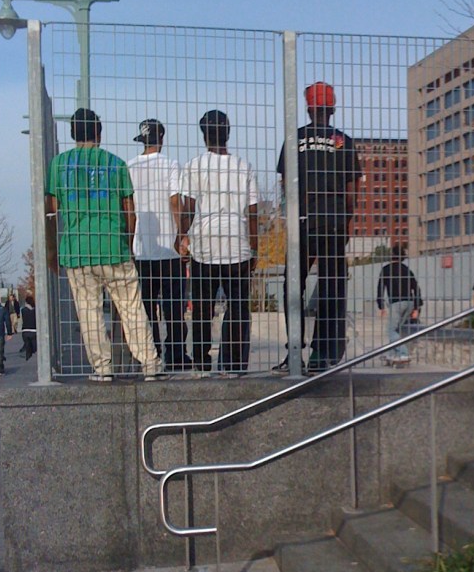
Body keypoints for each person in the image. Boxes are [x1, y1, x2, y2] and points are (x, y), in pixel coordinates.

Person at [45, 107, 167, 382]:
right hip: (113, 247)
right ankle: (150, 364)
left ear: (72, 132)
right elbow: (129, 210)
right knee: (132, 308)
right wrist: (127, 241)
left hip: (77, 251)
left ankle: (102, 369)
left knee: (89, 312)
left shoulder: (59, 165)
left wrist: (52, 251)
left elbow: (51, 212)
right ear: (99, 133)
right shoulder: (116, 164)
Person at [274, 82, 362, 374]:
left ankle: (294, 352)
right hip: (334, 221)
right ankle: (323, 353)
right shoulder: (343, 141)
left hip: (303, 221)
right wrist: (348, 221)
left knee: (293, 287)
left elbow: (286, 184)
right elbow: (351, 189)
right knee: (331, 287)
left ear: (309, 108)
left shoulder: (294, 138)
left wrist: (290, 216)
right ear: (332, 108)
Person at [176, 110, 258, 376]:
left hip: (205, 247)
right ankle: (233, 366)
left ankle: (201, 363)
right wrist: (253, 246)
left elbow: (188, 207)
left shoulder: (194, 165)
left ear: (204, 136)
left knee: (202, 308)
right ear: (228, 132)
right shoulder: (243, 166)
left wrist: (182, 236)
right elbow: (253, 210)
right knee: (237, 308)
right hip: (237, 247)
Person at [128, 119, 192, 371]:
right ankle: (176, 354)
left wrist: (128, 239)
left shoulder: (130, 166)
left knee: (145, 308)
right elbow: (176, 201)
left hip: (142, 248)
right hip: (169, 249)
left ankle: (149, 354)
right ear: (162, 138)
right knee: (173, 307)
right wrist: (182, 234)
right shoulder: (170, 165)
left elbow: (128, 207)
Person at [376, 242, 422, 364]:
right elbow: (416, 288)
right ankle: (393, 354)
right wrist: (416, 307)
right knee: (397, 329)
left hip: (396, 303)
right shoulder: (407, 270)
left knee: (391, 330)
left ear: (392, 256)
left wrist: (381, 306)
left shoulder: (386, 270)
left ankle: (403, 353)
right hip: (410, 303)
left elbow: (380, 288)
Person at [20, 294, 37, 361]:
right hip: (34, 330)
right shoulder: (35, 310)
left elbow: (22, 320)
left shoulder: (23, 310)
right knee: (34, 347)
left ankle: (28, 357)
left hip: (25, 330)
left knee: (27, 346)